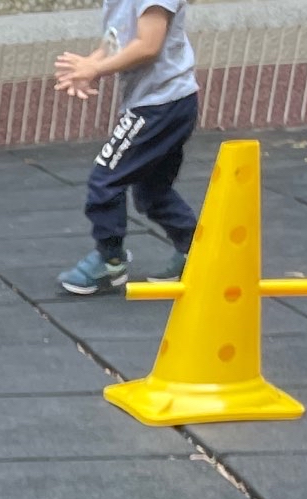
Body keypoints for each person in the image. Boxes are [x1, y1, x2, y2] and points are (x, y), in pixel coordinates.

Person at [53, 0, 199, 293]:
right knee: (153, 191)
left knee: (106, 179)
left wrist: (95, 68)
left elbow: (148, 46)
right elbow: (116, 39)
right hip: (164, 102)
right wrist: (89, 65)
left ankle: (110, 261)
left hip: (161, 104)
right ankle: (196, 251)